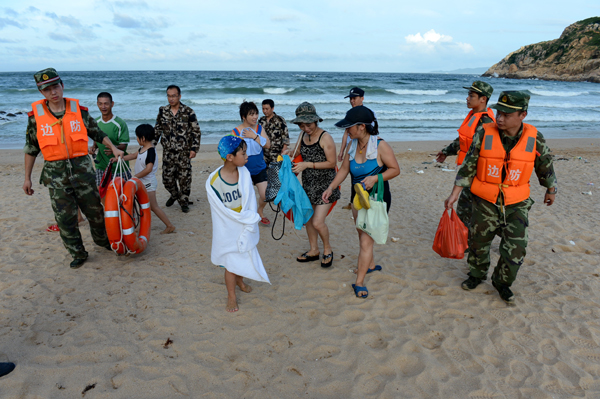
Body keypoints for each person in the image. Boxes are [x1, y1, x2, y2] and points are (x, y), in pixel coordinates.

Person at [444, 91, 557, 304]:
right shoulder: (484, 133)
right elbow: (469, 165)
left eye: (506, 114)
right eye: (498, 112)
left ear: (522, 115)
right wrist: (454, 194)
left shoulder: (535, 138)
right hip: (485, 201)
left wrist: (551, 189)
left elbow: (545, 166)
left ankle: (502, 283)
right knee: (478, 243)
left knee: (516, 249)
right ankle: (476, 275)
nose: (500, 118)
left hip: (517, 203)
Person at [22, 68, 124, 269]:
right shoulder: (35, 117)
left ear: (62, 85)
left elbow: (96, 132)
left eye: (55, 87)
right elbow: (31, 148)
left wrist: (113, 148)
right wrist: (27, 178)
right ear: (41, 93)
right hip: (55, 174)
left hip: (83, 171)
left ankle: (103, 242)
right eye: (47, 89)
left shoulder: (79, 111)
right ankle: (78, 252)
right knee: (65, 218)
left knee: (95, 212)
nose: (53, 92)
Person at [323, 105, 400, 298]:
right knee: (362, 234)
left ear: (362, 127)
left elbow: (395, 169)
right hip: (357, 199)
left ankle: (359, 282)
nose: (346, 130)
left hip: (377, 199)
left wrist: (376, 178)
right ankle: (371, 264)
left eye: (349, 127)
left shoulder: (380, 145)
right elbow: (343, 170)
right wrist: (331, 187)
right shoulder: (352, 145)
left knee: (366, 240)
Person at [206, 135, 270, 312]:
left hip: (243, 223)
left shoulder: (244, 172)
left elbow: (249, 199)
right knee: (230, 263)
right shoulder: (213, 181)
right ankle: (231, 296)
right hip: (227, 228)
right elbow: (219, 211)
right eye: (243, 153)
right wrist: (235, 221)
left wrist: (248, 219)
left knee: (243, 254)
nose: (247, 156)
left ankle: (240, 280)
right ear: (230, 157)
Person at [435, 81, 495, 231]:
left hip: (475, 172)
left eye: (471, 95)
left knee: (469, 208)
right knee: (466, 208)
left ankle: (467, 241)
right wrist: (446, 151)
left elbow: (480, 150)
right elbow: (463, 140)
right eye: (468, 95)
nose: (467, 98)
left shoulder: (485, 121)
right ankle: (466, 239)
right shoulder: (473, 115)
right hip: (467, 170)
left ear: (483, 99)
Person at [289, 102, 340, 268]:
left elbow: (332, 163)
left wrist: (307, 165)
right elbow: (296, 153)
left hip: (327, 186)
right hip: (309, 186)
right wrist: (287, 155)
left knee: (318, 222)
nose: (306, 128)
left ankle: (327, 249)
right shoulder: (302, 137)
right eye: (302, 125)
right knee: (309, 220)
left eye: (308, 124)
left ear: (316, 121)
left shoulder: (325, 137)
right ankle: (313, 250)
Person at [113, 124, 176, 234]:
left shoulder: (151, 151)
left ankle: (169, 226)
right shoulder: (142, 148)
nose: (136, 139)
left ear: (143, 138)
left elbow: (148, 169)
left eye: (137, 137)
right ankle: (139, 226)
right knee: (142, 205)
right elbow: (133, 155)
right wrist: (119, 159)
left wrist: (133, 177)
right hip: (141, 182)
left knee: (153, 206)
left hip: (148, 183)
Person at [154, 85, 201, 213]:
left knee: (184, 179)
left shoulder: (188, 111)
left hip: (184, 152)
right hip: (168, 152)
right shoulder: (163, 111)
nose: (171, 98)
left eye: (174, 96)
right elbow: (157, 129)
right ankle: (175, 195)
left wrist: (194, 149)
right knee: (167, 179)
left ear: (179, 96)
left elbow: (196, 131)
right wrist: (151, 145)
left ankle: (184, 201)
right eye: (169, 96)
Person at [232, 101, 271, 226]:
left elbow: (268, 145)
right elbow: (231, 153)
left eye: (256, 114)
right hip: (243, 170)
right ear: (244, 116)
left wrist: (254, 136)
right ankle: (247, 216)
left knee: (265, 195)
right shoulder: (236, 131)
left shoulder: (259, 128)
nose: (255, 117)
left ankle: (260, 210)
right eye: (251, 114)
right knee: (245, 198)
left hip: (259, 168)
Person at [90, 92, 131, 199]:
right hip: (101, 166)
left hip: (119, 166)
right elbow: (97, 140)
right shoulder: (96, 122)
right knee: (101, 193)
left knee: (123, 195)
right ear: (97, 104)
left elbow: (123, 146)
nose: (103, 107)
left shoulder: (120, 123)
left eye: (106, 104)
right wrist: (94, 147)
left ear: (112, 104)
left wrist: (114, 149)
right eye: (100, 104)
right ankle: (109, 215)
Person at [338, 87, 368, 210]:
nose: (352, 101)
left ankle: (363, 199)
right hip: (351, 150)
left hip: (365, 150)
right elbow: (345, 133)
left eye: (354, 98)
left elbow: (373, 133)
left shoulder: (368, 114)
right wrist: (341, 151)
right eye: (350, 98)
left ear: (362, 98)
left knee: (363, 175)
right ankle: (353, 202)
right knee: (352, 175)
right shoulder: (349, 114)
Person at [259, 99, 289, 164]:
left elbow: (285, 136)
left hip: (276, 153)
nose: (265, 111)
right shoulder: (261, 120)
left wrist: (284, 149)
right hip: (264, 154)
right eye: (263, 109)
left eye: (267, 109)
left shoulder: (280, 120)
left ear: (272, 108)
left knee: (276, 173)